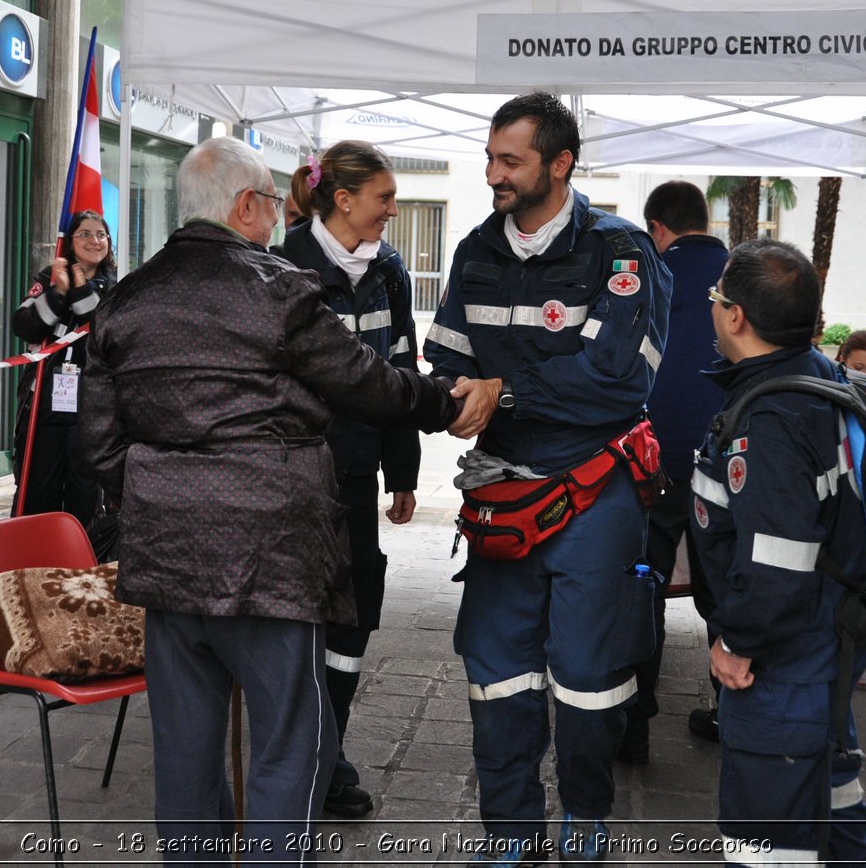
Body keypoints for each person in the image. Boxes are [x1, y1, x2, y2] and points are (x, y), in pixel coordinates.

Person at [82, 136, 462, 862]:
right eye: (271, 200)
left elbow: (98, 447)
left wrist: (157, 504)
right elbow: (368, 382)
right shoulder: (279, 289)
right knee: (290, 742)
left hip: (168, 562)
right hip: (272, 555)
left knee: (185, 751)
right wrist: (445, 404)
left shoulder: (124, 300)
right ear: (247, 206)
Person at [424, 91, 669, 863]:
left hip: (595, 493)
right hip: (500, 493)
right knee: (496, 672)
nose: (493, 173)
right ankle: (511, 834)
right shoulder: (474, 250)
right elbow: (453, 361)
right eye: (491, 157)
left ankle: (586, 815)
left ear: (560, 165)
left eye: (511, 160)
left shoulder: (621, 253)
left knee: (590, 674)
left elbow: (621, 379)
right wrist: (439, 396)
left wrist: (511, 390)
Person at [687, 239, 866, 866]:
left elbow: (777, 561)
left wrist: (735, 643)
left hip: (784, 666)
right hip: (827, 645)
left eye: (717, 296)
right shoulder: (818, 378)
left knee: (765, 848)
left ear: (735, 316)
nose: (713, 306)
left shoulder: (772, 418)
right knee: (834, 806)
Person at [274, 141, 417, 819]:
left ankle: (328, 747)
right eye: (385, 197)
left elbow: (399, 374)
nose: (393, 209)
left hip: (358, 473)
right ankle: (303, 755)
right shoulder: (282, 267)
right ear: (343, 199)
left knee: (355, 609)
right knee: (298, 614)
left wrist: (404, 471)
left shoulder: (389, 272)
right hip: (294, 476)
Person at [619, 180, 729, 762]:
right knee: (726, 591)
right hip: (729, 466)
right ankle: (732, 713)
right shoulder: (743, 276)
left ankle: (633, 725)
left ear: (657, 227)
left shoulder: (651, 274)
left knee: (645, 587)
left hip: (654, 461)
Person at [11, 210, 116, 530]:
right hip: (44, 398)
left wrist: (80, 286)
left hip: (91, 404)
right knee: (37, 487)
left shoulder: (116, 286)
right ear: (70, 241)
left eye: (100, 234)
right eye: (84, 234)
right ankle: (33, 562)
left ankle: (79, 566)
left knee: (84, 492)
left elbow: (99, 331)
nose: (94, 241)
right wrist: (58, 292)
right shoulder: (48, 278)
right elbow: (25, 326)